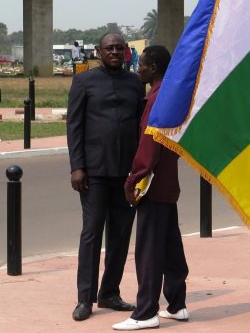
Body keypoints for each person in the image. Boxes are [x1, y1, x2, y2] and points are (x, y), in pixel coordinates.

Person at [66, 33, 145, 322]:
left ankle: (109, 292)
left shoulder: (135, 83)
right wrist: (77, 166)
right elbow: (74, 126)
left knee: (121, 234)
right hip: (94, 173)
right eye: (109, 48)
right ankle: (84, 298)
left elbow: (140, 125)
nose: (114, 52)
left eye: (119, 48)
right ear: (99, 51)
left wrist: (139, 169)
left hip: (125, 173)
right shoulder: (84, 82)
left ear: (125, 52)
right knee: (91, 233)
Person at [112, 46, 190, 331]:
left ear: (154, 68)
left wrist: (134, 178)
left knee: (148, 250)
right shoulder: (171, 96)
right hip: (169, 181)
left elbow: (149, 144)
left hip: (153, 184)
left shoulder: (155, 100)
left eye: (142, 65)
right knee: (170, 246)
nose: (138, 69)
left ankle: (145, 312)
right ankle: (177, 303)